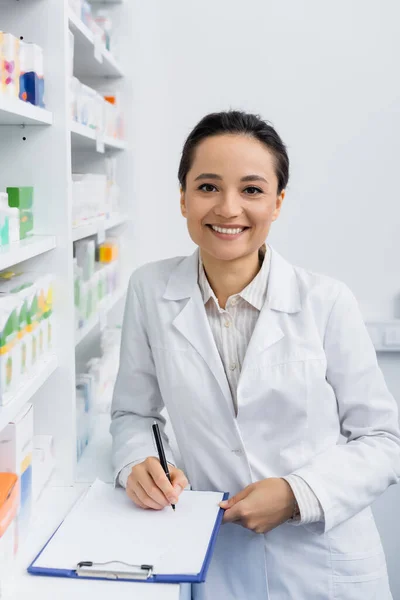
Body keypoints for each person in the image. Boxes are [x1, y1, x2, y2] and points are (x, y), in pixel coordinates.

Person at [110, 110, 400, 600]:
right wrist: (138, 463)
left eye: (251, 189)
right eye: (207, 187)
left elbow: (384, 439)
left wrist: (295, 495)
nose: (227, 209)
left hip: (323, 563)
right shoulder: (149, 289)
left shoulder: (326, 300)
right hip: (214, 554)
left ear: (278, 202)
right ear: (182, 198)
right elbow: (133, 413)